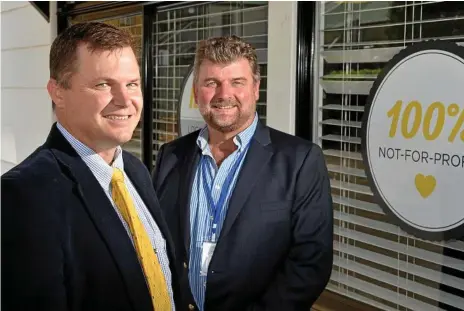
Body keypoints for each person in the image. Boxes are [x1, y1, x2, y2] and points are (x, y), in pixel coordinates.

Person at [2, 22, 179, 311]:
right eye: (103, 84)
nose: (125, 101)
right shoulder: (25, 194)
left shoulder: (135, 171)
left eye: (132, 84)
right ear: (58, 92)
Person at [152, 35, 334, 311]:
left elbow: (310, 263)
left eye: (237, 82)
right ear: (196, 92)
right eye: (211, 83)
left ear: (256, 88)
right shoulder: (171, 156)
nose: (224, 94)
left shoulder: (299, 161)